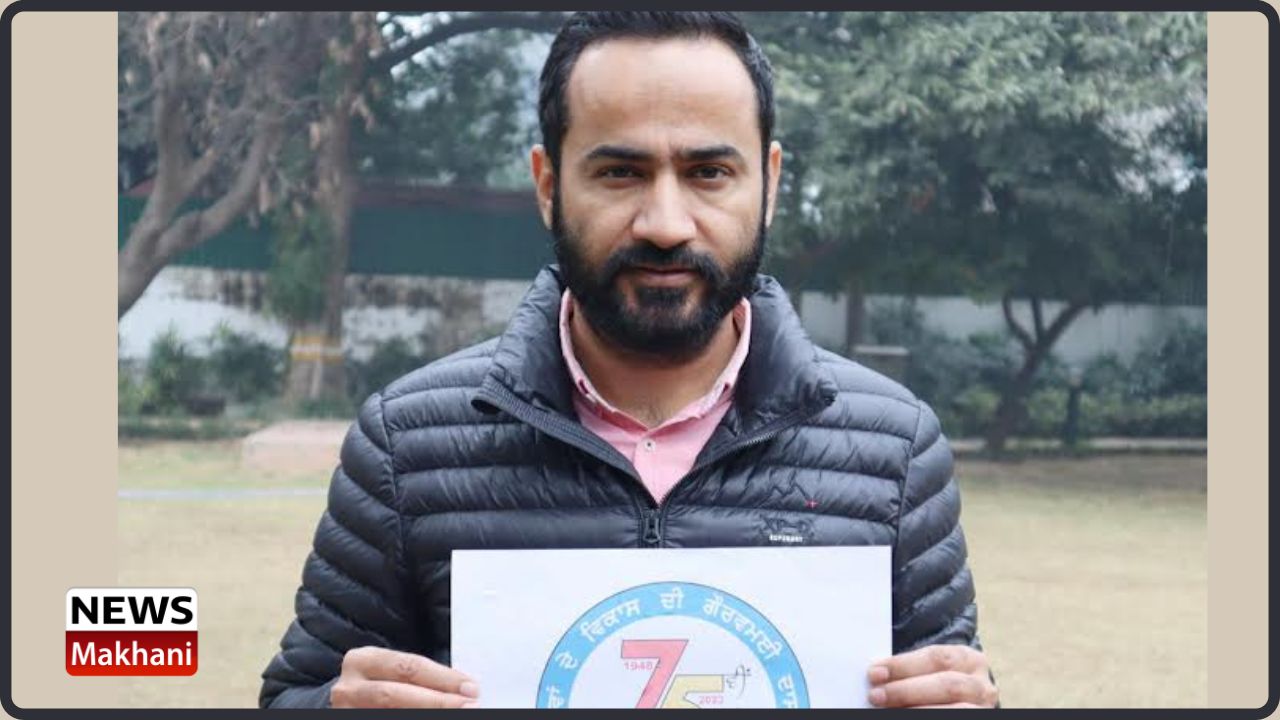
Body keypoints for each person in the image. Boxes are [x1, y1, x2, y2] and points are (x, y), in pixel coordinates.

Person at [259, 11, 997, 710]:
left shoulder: (893, 447)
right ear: (548, 185)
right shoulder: (406, 443)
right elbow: (298, 691)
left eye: (709, 172)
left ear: (769, 184)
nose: (666, 225)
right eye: (619, 172)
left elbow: (949, 685)